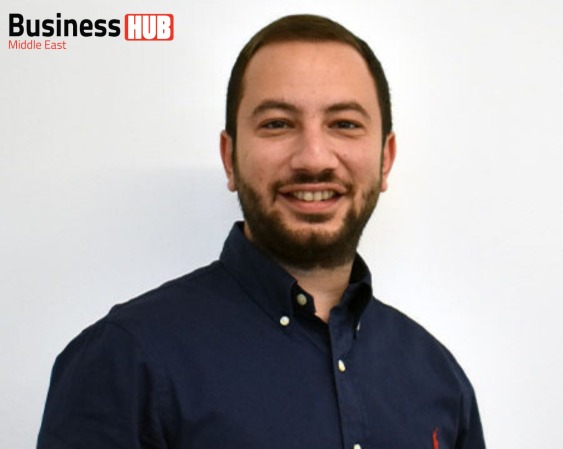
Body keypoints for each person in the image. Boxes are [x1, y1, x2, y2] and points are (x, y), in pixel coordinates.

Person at [37, 14, 486, 449]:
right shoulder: (126, 360)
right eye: (277, 124)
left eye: (345, 124)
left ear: (385, 159)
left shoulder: (440, 379)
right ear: (229, 158)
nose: (314, 158)